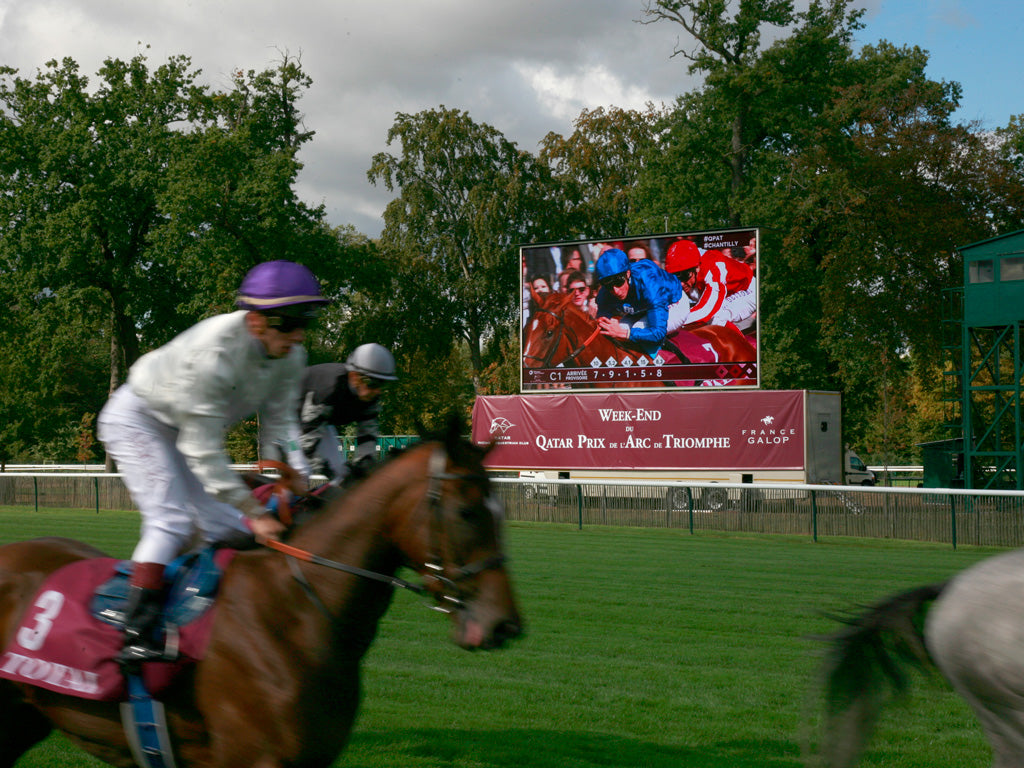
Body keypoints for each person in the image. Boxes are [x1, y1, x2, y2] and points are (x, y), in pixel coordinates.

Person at [97, 260, 328, 665]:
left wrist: (298, 472)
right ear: (256, 321)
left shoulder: (290, 355)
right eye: (289, 323)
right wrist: (255, 512)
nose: (298, 335)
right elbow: (202, 450)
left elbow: (280, 418)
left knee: (223, 526)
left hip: (182, 429)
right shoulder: (214, 353)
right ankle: (134, 631)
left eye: (303, 322)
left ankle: (198, 617)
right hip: (138, 419)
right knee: (172, 521)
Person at [298, 343, 397, 485]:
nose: (377, 391)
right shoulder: (329, 387)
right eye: (373, 383)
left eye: (382, 384)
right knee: (301, 473)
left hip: (318, 422)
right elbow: (307, 439)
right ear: (354, 376)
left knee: (342, 474)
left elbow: (367, 434)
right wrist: (322, 468)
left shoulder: (370, 397)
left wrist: (365, 463)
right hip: (288, 417)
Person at [593, 248, 689, 357]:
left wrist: (625, 333)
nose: (615, 290)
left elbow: (658, 333)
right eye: (608, 285)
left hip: (673, 303)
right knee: (618, 329)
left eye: (618, 282)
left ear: (628, 273)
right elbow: (602, 320)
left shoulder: (649, 283)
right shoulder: (605, 292)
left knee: (631, 330)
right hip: (644, 307)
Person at [665, 239, 757, 331]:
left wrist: (670, 324)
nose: (681, 283)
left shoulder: (713, 267)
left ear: (697, 268)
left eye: (684, 276)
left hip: (747, 290)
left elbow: (707, 310)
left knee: (716, 318)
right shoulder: (692, 271)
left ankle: (740, 344)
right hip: (721, 288)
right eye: (675, 277)